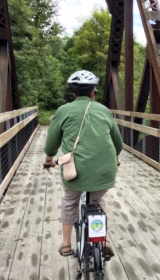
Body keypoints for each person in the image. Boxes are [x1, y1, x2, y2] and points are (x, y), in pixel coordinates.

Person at [43, 70, 123, 257]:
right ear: (93, 92)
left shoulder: (63, 110)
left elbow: (51, 143)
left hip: (75, 170)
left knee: (70, 201)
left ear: (73, 93)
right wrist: (116, 157)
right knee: (97, 200)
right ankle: (101, 240)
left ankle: (65, 245)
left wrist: (48, 160)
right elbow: (117, 143)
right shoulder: (103, 110)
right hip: (105, 169)